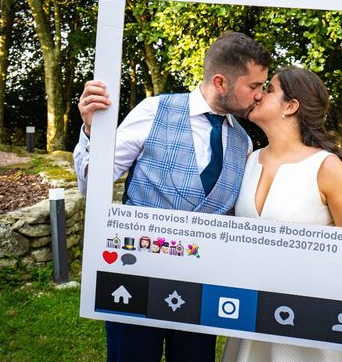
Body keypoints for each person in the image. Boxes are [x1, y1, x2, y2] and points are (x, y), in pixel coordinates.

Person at [73, 31, 272, 362]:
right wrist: (94, 132)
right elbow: (93, 183)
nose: (260, 95)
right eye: (254, 86)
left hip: (202, 287)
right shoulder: (154, 110)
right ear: (221, 82)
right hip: (134, 279)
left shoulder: (244, 142)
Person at [222, 66, 342, 362]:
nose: (258, 95)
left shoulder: (326, 167)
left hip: (318, 316)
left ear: (291, 106)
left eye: (269, 90)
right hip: (256, 310)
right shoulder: (247, 160)